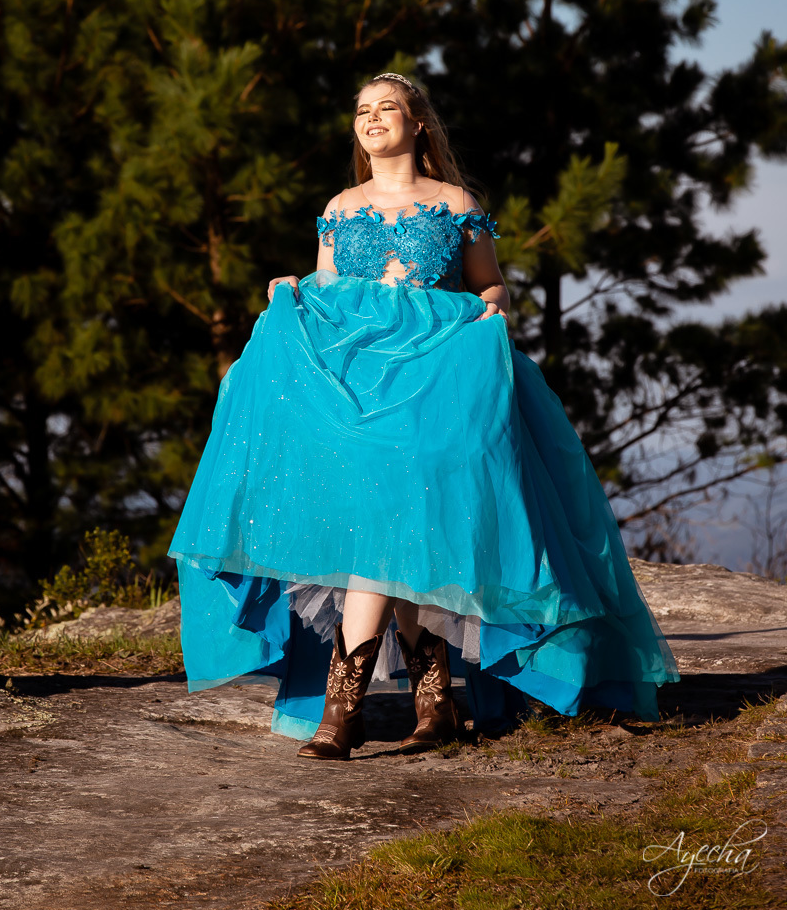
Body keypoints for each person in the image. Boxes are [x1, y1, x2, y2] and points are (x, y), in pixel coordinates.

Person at [168, 72, 680, 762]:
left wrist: (493, 308)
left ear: (418, 125)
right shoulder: (341, 207)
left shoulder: (455, 202)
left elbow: (489, 281)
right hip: (360, 393)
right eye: (362, 111)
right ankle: (431, 700)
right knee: (390, 525)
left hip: (434, 383)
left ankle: (345, 712)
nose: (373, 120)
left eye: (388, 109)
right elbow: (327, 290)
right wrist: (295, 287)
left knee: (396, 522)